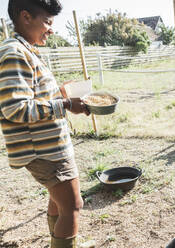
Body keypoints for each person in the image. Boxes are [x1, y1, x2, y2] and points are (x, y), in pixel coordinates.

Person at [0, 0, 89, 247]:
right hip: (43, 150)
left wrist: (61, 93)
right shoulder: (14, 53)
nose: (51, 29)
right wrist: (67, 105)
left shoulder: (25, 49)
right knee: (72, 206)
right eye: (48, 22)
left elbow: (32, 97)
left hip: (48, 146)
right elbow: (15, 108)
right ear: (26, 17)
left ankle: (61, 241)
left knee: (59, 202)